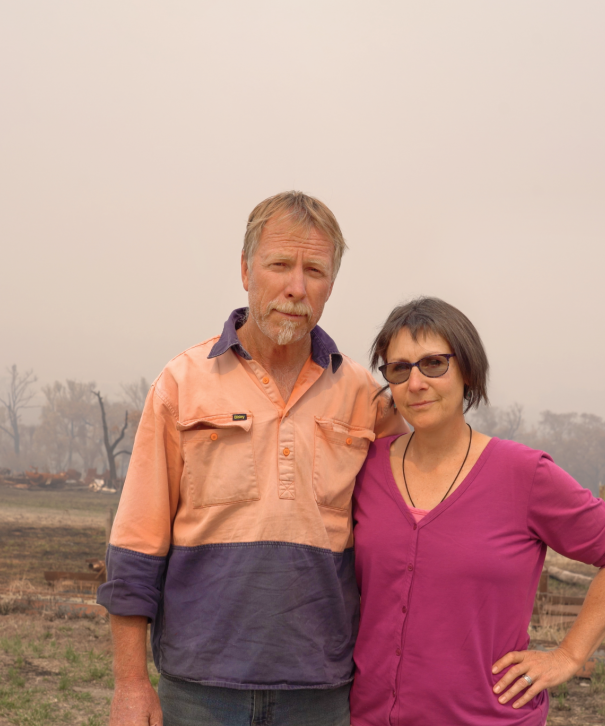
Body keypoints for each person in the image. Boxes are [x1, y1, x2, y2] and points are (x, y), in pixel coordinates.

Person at [98, 191, 406, 726]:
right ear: (245, 270)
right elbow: (137, 545)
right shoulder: (182, 383)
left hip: (321, 688)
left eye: (315, 270)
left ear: (331, 285)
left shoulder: (364, 395)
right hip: (198, 688)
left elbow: (413, 519)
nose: (296, 286)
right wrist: (130, 684)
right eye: (280, 265)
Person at [350, 297, 605, 726]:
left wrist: (568, 655)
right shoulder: (367, 468)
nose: (415, 383)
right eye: (399, 368)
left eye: (433, 364)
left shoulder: (523, 474)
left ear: (467, 370)